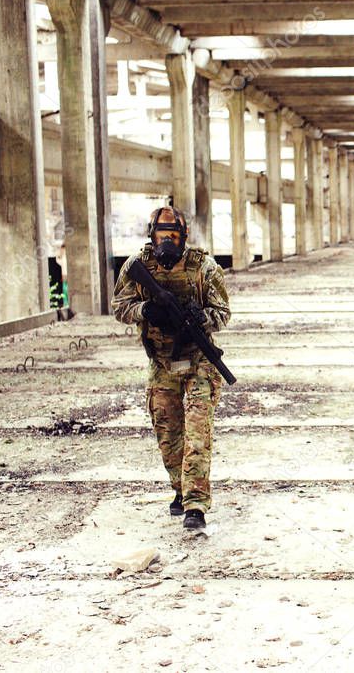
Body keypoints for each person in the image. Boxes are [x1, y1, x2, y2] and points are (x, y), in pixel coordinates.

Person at [112, 206, 230, 530]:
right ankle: (180, 489)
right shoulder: (137, 266)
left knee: (197, 432)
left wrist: (198, 317)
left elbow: (223, 313)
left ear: (184, 237)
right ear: (152, 235)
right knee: (167, 432)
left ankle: (195, 505)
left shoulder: (204, 267)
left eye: (173, 236)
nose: (167, 242)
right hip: (162, 361)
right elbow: (119, 307)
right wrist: (147, 310)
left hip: (198, 361)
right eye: (162, 235)